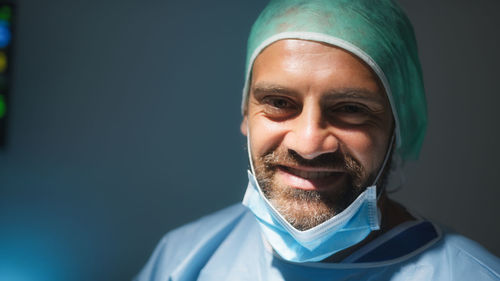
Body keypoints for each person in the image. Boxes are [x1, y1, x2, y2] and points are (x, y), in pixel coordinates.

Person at [135, 0, 500, 280]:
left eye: (350, 108)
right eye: (279, 103)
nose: (308, 144)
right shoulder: (183, 258)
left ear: (397, 125)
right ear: (246, 113)